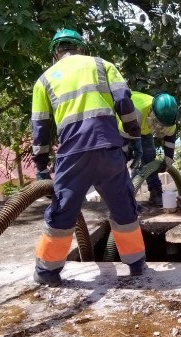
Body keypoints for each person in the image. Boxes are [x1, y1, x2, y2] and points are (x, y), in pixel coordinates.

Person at [30, 28, 146, 286]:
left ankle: (48, 272)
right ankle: (136, 264)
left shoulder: (45, 79)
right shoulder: (102, 65)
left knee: (63, 212)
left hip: (73, 154)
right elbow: (125, 102)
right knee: (123, 206)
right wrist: (133, 134)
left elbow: (40, 127)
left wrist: (40, 167)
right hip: (108, 149)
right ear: (80, 47)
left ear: (55, 52)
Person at [126, 91, 178, 207]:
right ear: (151, 111)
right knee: (131, 163)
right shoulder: (136, 111)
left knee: (149, 158)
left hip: (143, 129)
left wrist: (168, 160)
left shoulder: (169, 120)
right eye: (157, 123)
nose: (159, 128)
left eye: (162, 126)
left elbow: (169, 141)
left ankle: (156, 193)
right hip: (123, 126)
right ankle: (127, 201)